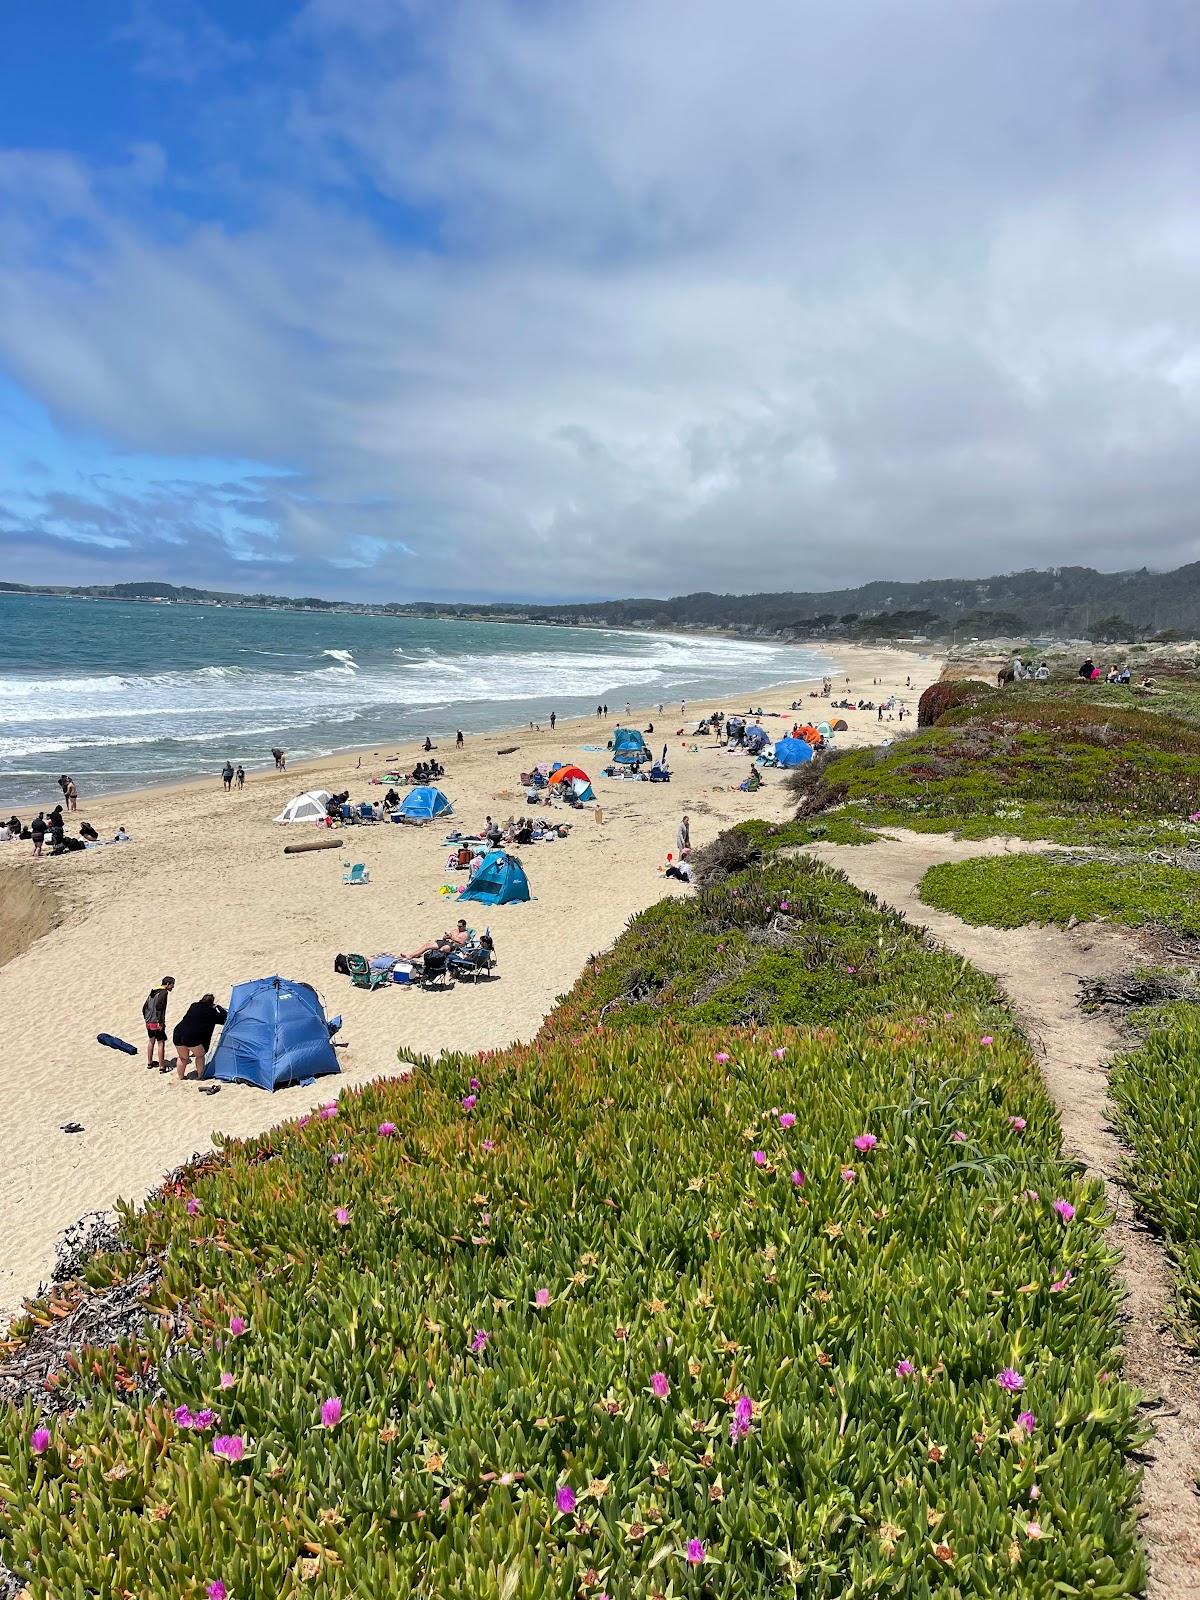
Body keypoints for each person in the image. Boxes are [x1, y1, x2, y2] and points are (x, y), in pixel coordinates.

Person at [172, 992, 228, 1082]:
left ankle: (181, 1077)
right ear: (212, 1003)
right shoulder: (211, 1013)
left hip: (178, 1033)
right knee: (200, 1056)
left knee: (183, 1057)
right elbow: (224, 1019)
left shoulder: (194, 1005)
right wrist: (219, 1008)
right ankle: (200, 1076)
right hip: (191, 1037)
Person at [142, 976, 176, 1071]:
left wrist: (146, 1019)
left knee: (151, 1041)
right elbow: (159, 1007)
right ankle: (162, 1066)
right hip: (156, 1022)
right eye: (172, 985)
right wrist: (160, 1022)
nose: (173, 987)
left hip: (149, 1021)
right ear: (168, 984)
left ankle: (150, 1062)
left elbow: (144, 1007)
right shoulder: (163, 992)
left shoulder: (153, 991)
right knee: (161, 1043)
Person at [401, 920, 471, 962]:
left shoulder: (465, 934)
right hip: (445, 942)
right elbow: (446, 937)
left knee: (442, 949)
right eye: (458, 926)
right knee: (427, 945)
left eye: (460, 926)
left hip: (453, 946)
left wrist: (451, 937)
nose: (458, 927)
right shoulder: (455, 930)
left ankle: (431, 962)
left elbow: (462, 943)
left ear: (464, 926)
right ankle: (412, 955)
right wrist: (445, 937)